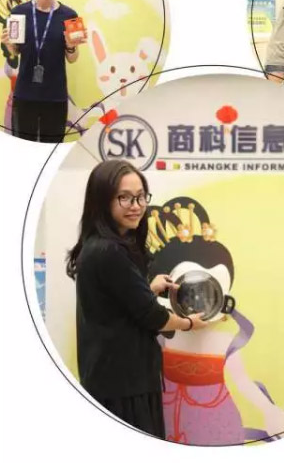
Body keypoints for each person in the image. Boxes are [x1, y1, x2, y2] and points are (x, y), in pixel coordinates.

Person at [66, 160, 212, 438]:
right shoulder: (110, 251)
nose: (136, 206)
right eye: (124, 197)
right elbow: (153, 317)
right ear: (102, 200)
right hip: (124, 386)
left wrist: (148, 288)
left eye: (141, 197)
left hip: (111, 379)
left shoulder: (99, 245)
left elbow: (117, 303)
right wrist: (190, 323)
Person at [1, 0, 87, 142]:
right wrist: (9, 46)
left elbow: (72, 58)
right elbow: (16, 51)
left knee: (52, 147)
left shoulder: (69, 15)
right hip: (25, 94)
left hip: (55, 95)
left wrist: (71, 47)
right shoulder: (18, 13)